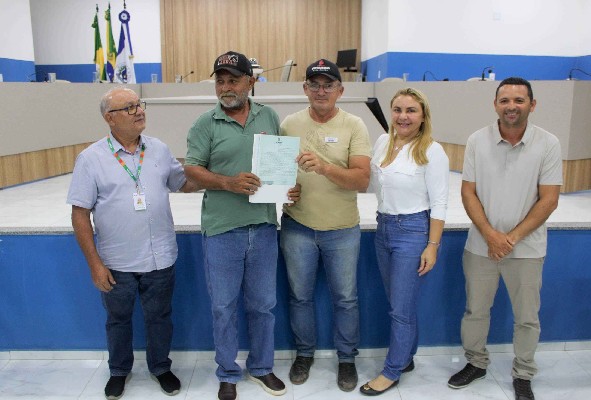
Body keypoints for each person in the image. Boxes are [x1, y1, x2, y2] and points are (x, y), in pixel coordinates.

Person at [68, 87, 198, 399]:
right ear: (109, 118)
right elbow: (79, 214)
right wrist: (95, 265)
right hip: (117, 262)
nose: (139, 111)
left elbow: (183, 183)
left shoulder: (159, 149)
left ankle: (161, 367)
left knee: (160, 318)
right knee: (118, 320)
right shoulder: (91, 159)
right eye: (129, 108)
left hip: (160, 257)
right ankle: (118, 370)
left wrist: (220, 177)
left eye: (138, 104)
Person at [184, 51, 299, 400]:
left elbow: (279, 163)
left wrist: (287, 187)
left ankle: (261, 368)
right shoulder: (205, 123)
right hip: (222, 229)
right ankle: (227, 372)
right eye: (220, 81)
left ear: (250, 82)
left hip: (262, 226)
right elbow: (192, 170)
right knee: (223, 307)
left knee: (263, 305)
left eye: (233, 80)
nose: (225, 87)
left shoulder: (269, 116)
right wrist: (227, 183)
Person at [448, 77, 562, 400]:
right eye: (505, 100)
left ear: (532, 105)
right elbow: (468, 193)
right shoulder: (476, 140)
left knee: (527, 318)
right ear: (495, 105)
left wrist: (509, 238)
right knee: (475, 311)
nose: (512, 106)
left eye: (519, 100)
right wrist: (490, 235)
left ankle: (523, 373)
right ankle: (476, 362)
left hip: (527, 249)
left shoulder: (548, 144)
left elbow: (549, 199)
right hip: (480, 246)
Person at [279, 58, 372, 392]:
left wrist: (324, 167)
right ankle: (304, 354)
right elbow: (278, 173)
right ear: (305, 89)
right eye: (315, 85)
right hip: (298, 226)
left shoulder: (354, 125)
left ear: (340, 90)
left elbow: (362, 180)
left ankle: (346, 359)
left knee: (345, 299)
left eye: (328, 85)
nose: (321, 91)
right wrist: (284, 191)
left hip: (342, 229)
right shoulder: (289, 124)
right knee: (299, 297)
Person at [359, 88, 449, 395]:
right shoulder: (383, 141)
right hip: (384, 226)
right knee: (400, 304)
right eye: (397, 110)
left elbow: (439, 203)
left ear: (423, 116)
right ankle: (406, 355)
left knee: (400, 308)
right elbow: (371, 182)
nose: (403, 116)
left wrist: (432, 246)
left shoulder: (432, 151)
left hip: (413, 231)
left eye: (411, 110)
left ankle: (392, 370)